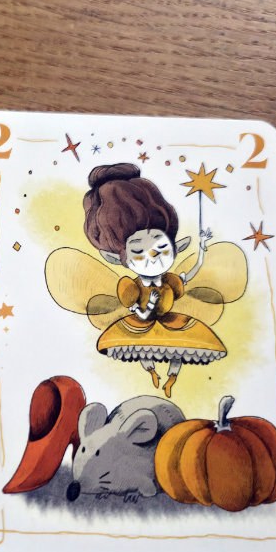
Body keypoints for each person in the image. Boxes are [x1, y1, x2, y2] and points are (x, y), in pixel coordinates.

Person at [83, 164, 219, 398]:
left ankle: (171, 379)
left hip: (171, 323)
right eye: (139, 252)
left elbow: (191, 273)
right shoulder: (131, 288)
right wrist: (149, 307)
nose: (153, 256)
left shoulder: (170, 281)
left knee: (178, 351)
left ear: (175, 247)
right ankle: (152, 372)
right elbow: (139, 311)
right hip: (142, 323)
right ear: (120, 259)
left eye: (161, 247)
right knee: (143, 350)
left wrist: (202, 250)